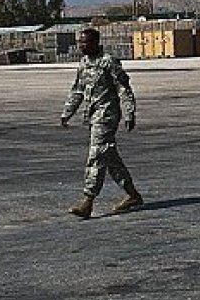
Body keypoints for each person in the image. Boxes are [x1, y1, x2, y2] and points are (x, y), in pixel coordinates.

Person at [61, 27, 143, 219]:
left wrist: (130, 113)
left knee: (96, 154)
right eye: (80, 42)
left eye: (86, 42)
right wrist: (67, 112)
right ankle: (133, 195)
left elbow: (123, 88)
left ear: (96, 43)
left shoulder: (108, 62)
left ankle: (87, 201)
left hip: (107, 116)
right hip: (92, 116)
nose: (82, 46)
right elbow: (78, 90)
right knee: (111, 159)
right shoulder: (84, 64)